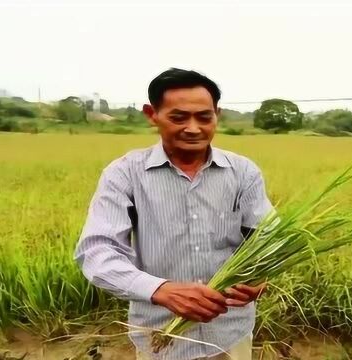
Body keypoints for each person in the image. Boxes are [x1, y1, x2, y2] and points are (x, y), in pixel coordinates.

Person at [74, 68, 273, 360]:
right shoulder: (125, 173)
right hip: (160, 334)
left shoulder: (243, 172)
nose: (193, 128)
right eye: (178, 117)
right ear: (152, 114)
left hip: (229, 332)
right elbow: (97, 251)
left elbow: (268, 236)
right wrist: (161, 290)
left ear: (217, 114)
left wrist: (260, 277)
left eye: (204, 117)